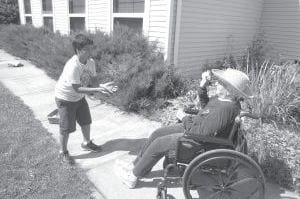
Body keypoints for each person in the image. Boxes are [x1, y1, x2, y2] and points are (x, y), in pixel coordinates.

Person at [114, 68, 253, 188]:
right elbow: (207, 109)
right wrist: (202, 87)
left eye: (221, 82)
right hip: (196, 131)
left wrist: (184, 117)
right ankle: (138, 166)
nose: (216, 83)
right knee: (157, 133)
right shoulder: (223, 100)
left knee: (159, 143)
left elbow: (199, 133)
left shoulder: (227, 110)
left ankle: (132, 177)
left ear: (230, 90)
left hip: (200, 143)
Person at [55, 33, 117, 165]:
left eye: (91, 48)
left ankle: (86, 143)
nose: (90, 52)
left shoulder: (90, 62)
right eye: (87, 49)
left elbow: (94, 81)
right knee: (66, 127)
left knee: (85, 121)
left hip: (79, 98)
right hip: (65, 98)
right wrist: (98, 90)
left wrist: (102, 86)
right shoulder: (73, 66)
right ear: (78, 50)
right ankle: (63, 152)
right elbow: (77, 88)